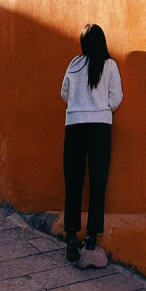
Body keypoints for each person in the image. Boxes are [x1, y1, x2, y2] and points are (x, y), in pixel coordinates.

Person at [60, 24, 123, 265]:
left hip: (74, 125)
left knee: (73, 181)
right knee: (98, 182)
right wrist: (99, 107)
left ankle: (70, 237)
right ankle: (92, 238)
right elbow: (115, 98)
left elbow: (64, 93)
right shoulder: (109, 65)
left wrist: (79, 105)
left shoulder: (74, 64)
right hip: (99, 127)